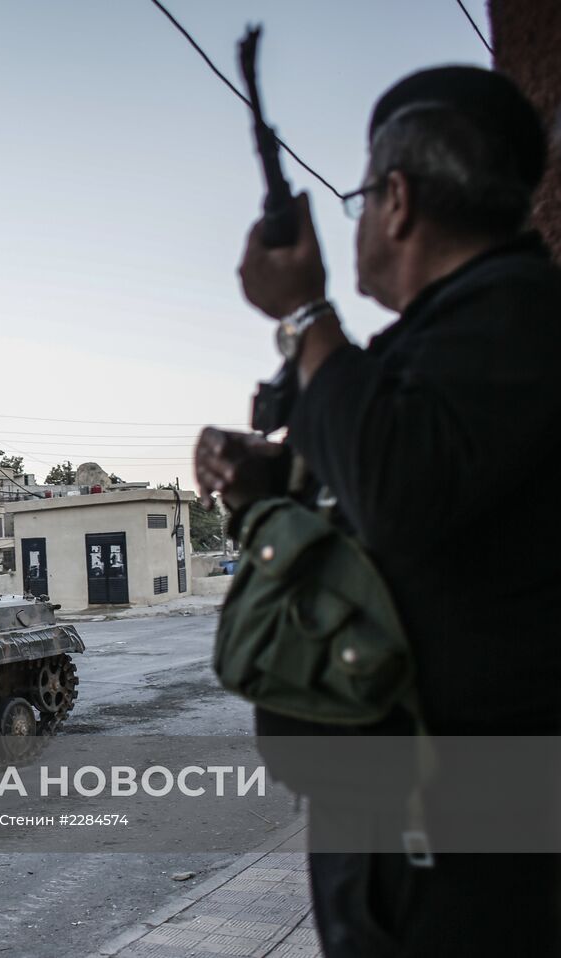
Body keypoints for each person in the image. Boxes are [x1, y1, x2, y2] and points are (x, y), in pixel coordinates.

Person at [195, 66, 561, 957]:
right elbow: (399, 499)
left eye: (360, 198)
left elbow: (398, 487)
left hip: (470, 843)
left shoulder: (518, 317)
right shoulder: (443, 338)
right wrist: (273, 482)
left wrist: (310, 314)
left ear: (396, 200)